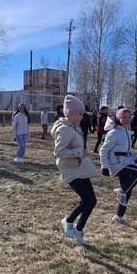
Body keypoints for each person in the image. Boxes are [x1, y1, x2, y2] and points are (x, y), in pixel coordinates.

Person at [52, 94, 98, 245]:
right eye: (80, 113)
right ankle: (68, 221)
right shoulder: (65, 130)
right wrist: (79, 153)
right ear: (70, 114)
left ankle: (79, 229)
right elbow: (58, 152)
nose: (82, 116)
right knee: (87, 199)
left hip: (79, 168)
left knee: (92, 200)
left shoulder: (74, 127)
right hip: (70, 169)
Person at [99, 108, 137, 224]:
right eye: (124, 117)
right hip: (117, 164)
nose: (126, 120)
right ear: (118, 118)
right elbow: (104, 150)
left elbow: (127, 151)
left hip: (125, 161)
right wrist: (104, 166)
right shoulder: (113, 133)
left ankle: (118, 217)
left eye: (129, 118)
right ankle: (120, 191)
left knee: (127, 190)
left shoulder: (127, 131)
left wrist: (136, 157)